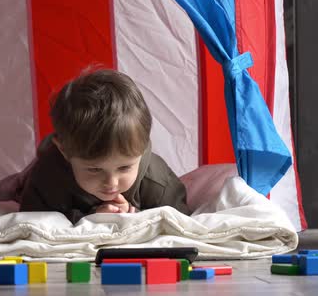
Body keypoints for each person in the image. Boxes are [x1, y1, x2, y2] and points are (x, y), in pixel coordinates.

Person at [16, 68, 190, 223]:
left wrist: (135, 216)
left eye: (124, 168)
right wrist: (89, 219)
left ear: (142, 148)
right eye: (94, 169)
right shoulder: (48, 178)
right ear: (64, 151)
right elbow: (31, 223)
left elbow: (181, 221)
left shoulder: (157, 181)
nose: (111, 183)